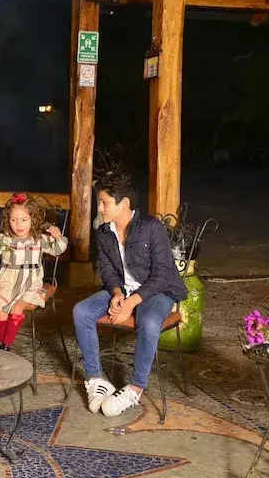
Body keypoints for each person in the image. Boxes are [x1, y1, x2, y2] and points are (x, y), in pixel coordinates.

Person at [72, 173, 188, 417]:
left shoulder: (151, 227)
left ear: (123, 203)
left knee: (149, 321)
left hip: (157, 291)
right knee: (81, 311)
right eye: (99, 202)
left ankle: (135, 388)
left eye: (104, 202)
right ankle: (96, 379)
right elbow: (107, 270)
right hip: (123, 290)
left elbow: (162, 275)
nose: (100, 208)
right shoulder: (103, 232)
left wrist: (130, 303)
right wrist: (116, 293)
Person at [0, 193, 67, 350]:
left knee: (17, 308)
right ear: (7, 220)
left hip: (31, 284)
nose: (18, 224)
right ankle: (0, 347)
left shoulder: (39, 239)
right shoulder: (4, 239)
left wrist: (58, 237)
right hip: (7, 282)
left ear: (32, 220)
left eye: (24, 220)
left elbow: (58, 250)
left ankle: (7, 346)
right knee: (1, 312)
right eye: (14, 220)